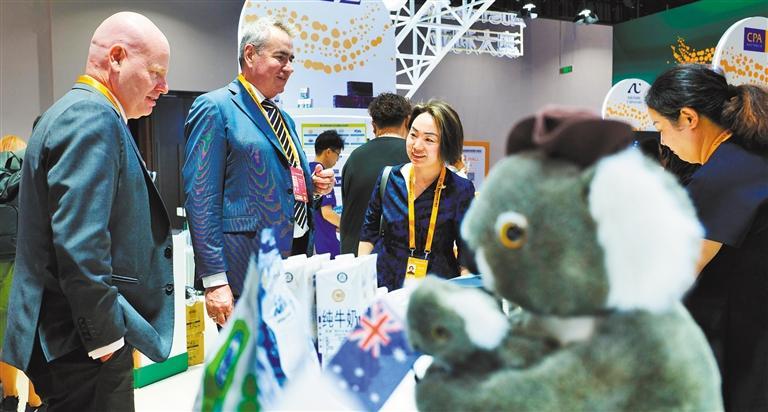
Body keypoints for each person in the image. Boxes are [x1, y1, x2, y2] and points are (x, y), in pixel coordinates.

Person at [1, 12, 175, 411]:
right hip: (82, 342)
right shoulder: (91, 116)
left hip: (72, 336)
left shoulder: (72, 112)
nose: (164, 87)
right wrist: (105, 336)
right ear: (116, 58)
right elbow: (80, 242)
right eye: (155, 73)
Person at [182, 16, 335, 327]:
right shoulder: (215, 107)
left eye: (291, 59)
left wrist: (314, 187)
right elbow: (200, 197)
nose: (289, 67)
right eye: (281, 57)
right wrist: (214, 279)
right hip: (244, 269)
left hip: (293, 263)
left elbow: (287, 184)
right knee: (249, 357)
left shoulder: (284, 119)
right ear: (250, 54)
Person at [646, 64, 768, 412]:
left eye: (660, 127)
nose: (663, 142)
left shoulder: (721, 177)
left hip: (739, 344)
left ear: (688, 118)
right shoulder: (751, 158)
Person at [358, 100, 475, 291]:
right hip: (385, 286)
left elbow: (466, 254)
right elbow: (368, 233)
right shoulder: (389, 178)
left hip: (436, 290)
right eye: (413, 135)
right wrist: (362, 279)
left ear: (447, 144)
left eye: (429, 140)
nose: (417, 146)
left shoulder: (460, 189)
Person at [0, 135, 44, 412]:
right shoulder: (30, 173)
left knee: (2, 339)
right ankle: (35, 404)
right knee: (33, 340)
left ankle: (9, 398)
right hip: (26, 265)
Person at [340, 93, 411, 255]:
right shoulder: (414, 157)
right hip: (401, 257)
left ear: (373, 125)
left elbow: (348, 205)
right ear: (407, 121)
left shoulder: (355, 157)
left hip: (356, 255)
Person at [309, 130, 345, 258]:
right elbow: (327, 213)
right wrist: (348, 228)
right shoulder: (323, 175)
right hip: (325, 245)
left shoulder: (307, 171)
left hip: (312, 242)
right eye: (337, 154)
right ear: (328, 152)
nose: (337, 159)